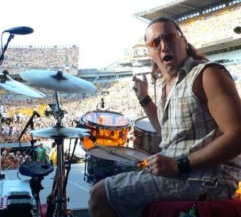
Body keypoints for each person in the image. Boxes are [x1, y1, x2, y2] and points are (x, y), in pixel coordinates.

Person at [88, 16, 241, 217]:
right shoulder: (164, 84)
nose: (163, 45)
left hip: (207, 179)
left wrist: (179, 164)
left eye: (169, 37)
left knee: (100, 194)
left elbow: (237, 136)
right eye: (155, 43)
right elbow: (168, 132)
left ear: (183, 42)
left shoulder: (207, 74)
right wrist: (144, 99)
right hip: (183, 175)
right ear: (149, 53)